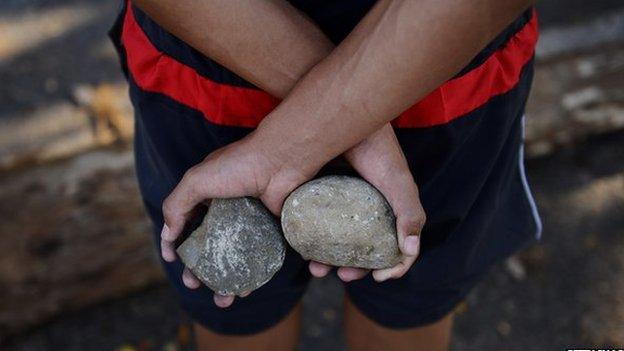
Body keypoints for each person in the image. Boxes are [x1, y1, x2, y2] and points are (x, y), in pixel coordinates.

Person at [109, 0, 542, 349]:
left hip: (220, 66)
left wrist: (301, 138)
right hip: (430, 69)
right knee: (406, 293)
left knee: (238, 298)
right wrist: (354, 128)